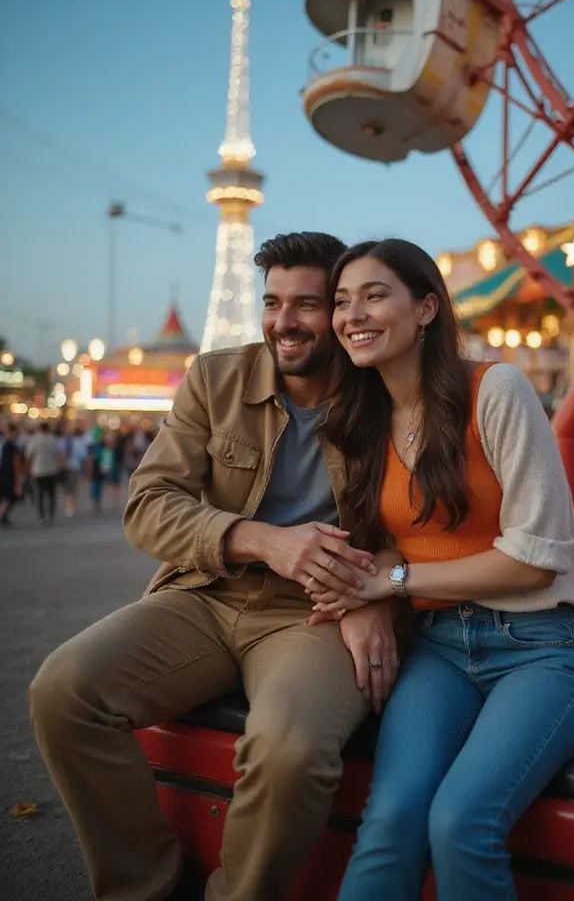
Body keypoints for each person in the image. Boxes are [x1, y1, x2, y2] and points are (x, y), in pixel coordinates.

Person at [29, 232, 402, 901]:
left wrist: (378, 595)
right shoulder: (216, 376)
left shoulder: (387, 391)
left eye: (308, 305)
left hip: (318, 613)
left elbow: (427, 521)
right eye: (272, 302)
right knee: (63, 692)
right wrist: (259, 539)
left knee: (289, 752)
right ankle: (150, 886)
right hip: (208, 592)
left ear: (341, 311)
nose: (284, 322)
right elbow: (147, 505)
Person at [310, 238, 574, 901]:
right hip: (439, 650)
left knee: (461, 821)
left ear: (426, 308)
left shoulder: (493, 389)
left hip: (540, 649)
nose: (353, 313)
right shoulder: (364, 421)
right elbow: (387, 542)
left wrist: (392, 584)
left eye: (374, 295)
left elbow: (537, 557)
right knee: (390, 821)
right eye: (341, 301)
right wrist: (362, 590)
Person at [25, 421, 64, 526]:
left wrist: (28, 469)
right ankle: (51, 515)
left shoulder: (35, 440)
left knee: (39, 495)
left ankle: (41, 516)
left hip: (38, 471)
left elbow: (29, 456)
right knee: (51, 495)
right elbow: (59, 455)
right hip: (52, 470)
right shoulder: (53, 440)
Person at [0, 421, 23, 526]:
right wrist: (18, 477)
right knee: (10, 497)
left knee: (6, 497)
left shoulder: (5, 444)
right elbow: (16, 462)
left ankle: (4, 515)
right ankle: (2, 515)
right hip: (9, 474)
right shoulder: (11, 446)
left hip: (4, 472)